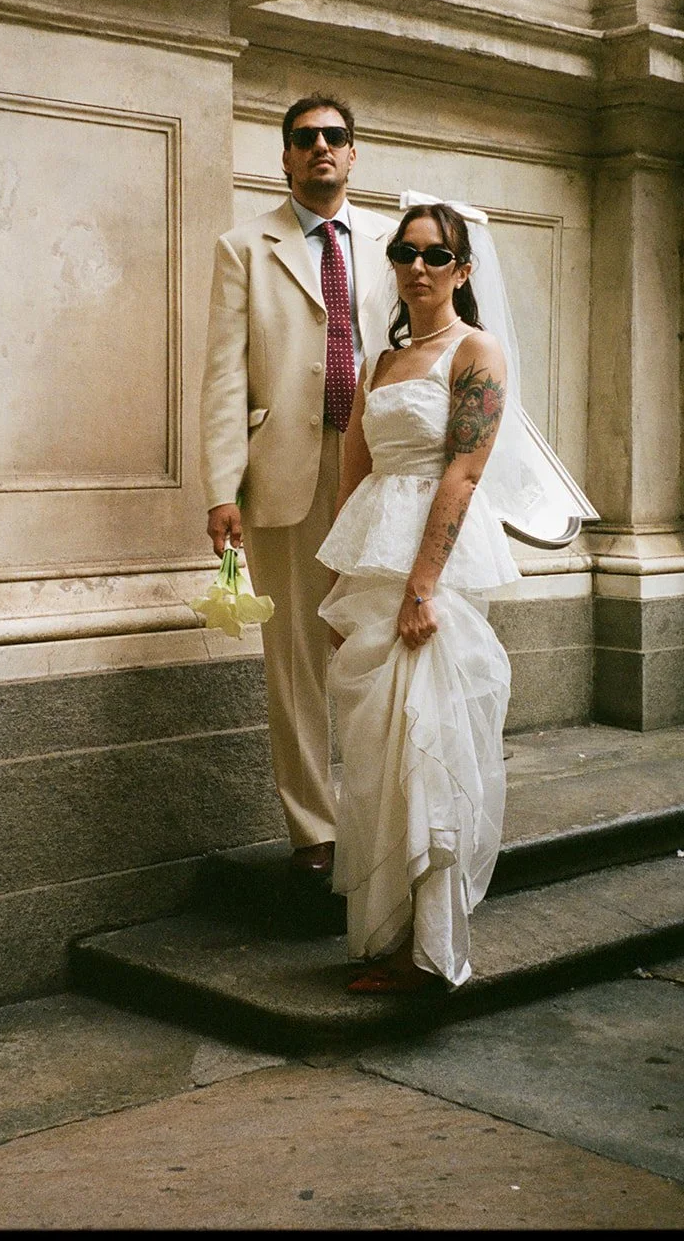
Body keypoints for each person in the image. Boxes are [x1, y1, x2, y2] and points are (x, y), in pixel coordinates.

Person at [316, 201, 520, 992]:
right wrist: (337, 588)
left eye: (436, 256)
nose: (418, 267)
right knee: (374, 755)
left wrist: (422, 586)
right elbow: (352, 475)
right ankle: (388, 928)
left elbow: (464, 471)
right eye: (405, 252)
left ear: (462, 271)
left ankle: (429, 949)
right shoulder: (381, 363)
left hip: (426, 571)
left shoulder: (476, 353)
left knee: (427, 743)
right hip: (370, 559)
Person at [200, 93, 394, 877]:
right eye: (304, 138)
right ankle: (314, 829)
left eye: (335, 137)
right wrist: (221, 487)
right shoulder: (244, 246)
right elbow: (221, 378)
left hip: (379, 466)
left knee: (379, 637)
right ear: (284, 157)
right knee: (296, 657)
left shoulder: (392, 243)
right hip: (287, 469)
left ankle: (383, 811)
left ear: (353, 155)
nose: (320, 148)